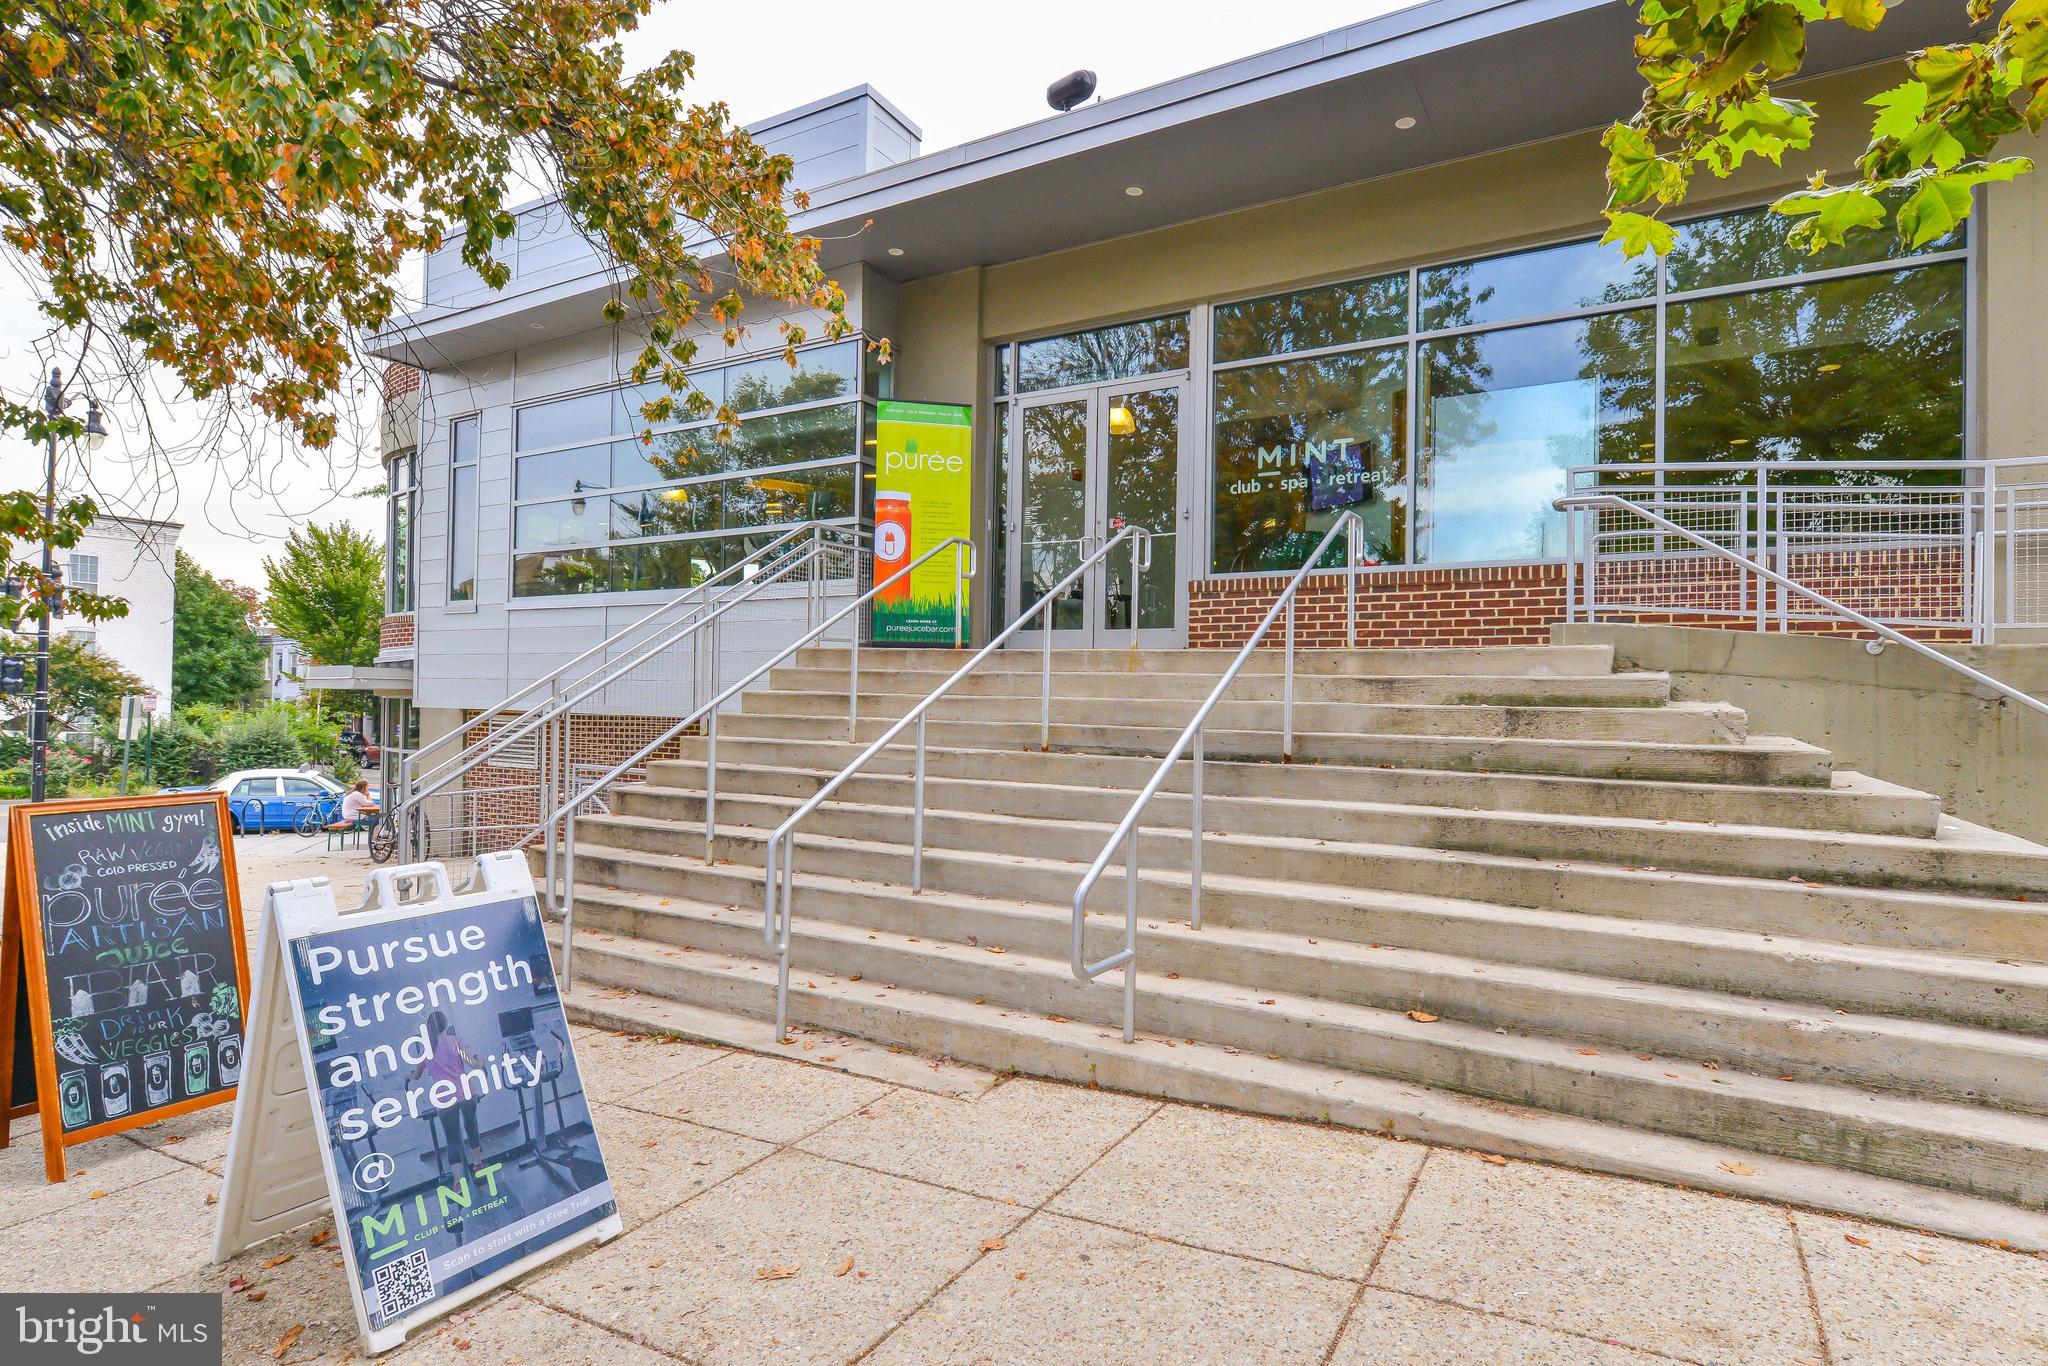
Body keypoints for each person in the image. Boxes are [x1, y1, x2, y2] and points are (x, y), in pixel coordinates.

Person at [409, 1010, 484, 1171]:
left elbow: (416, 1075)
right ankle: (478, 1164)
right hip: (466, 1092)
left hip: (445, 1099)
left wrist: (407, 1076)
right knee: (472, 1127)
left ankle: (458, 1181)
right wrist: (481, 1062)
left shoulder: (426, 1049)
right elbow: (473, 1064)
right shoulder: (455, 1041)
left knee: (452, 1139)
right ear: (446, 1024)